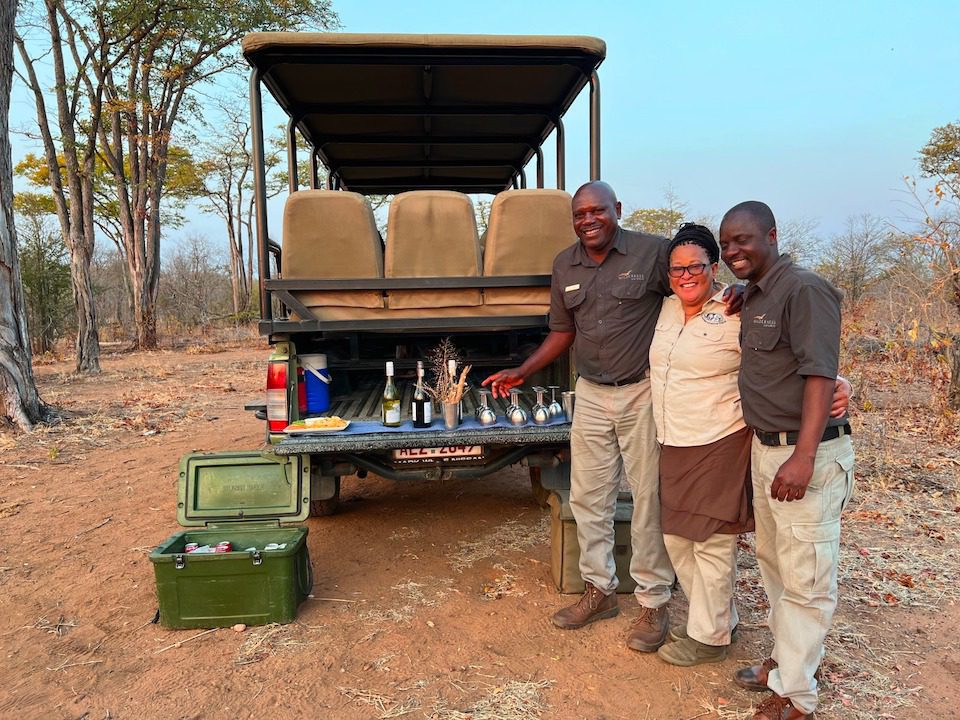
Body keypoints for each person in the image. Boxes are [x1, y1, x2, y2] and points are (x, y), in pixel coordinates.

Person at [482, 180, 677, 652]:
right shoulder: (564, 263)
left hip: (641, 392)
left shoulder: (653, 253)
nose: (588, 220)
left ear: (618, 209)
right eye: (580, 214)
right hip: (589, 393)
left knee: (649, 498)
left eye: (598, 211)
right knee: (589, 496)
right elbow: (561, 330)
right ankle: (600, 591)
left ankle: (653, 602)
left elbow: (696, 291)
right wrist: (523, 370)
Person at [719, 201, 856, 720]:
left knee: (806, 579)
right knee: (776, 566)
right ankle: (785, 661)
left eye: (743, 241)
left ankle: (796, 697)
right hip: (766, 447)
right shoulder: (754, 294)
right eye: (726, 243)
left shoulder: (805, 289)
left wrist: (802, 458)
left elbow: (821, 375)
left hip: (806, 454)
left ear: (772, 235)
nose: (733, 251)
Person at [647, 223, 753, 667]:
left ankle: (709, 637)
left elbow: (782, 350)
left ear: (714, 267)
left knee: (711, 540)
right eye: (677, 269)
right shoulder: (667, 308)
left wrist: (836, 381)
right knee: (675, 537)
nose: (686, 275)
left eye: (696, 266)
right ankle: (720, 618)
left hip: (720, 437)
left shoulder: (738, 308)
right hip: (673, 438)